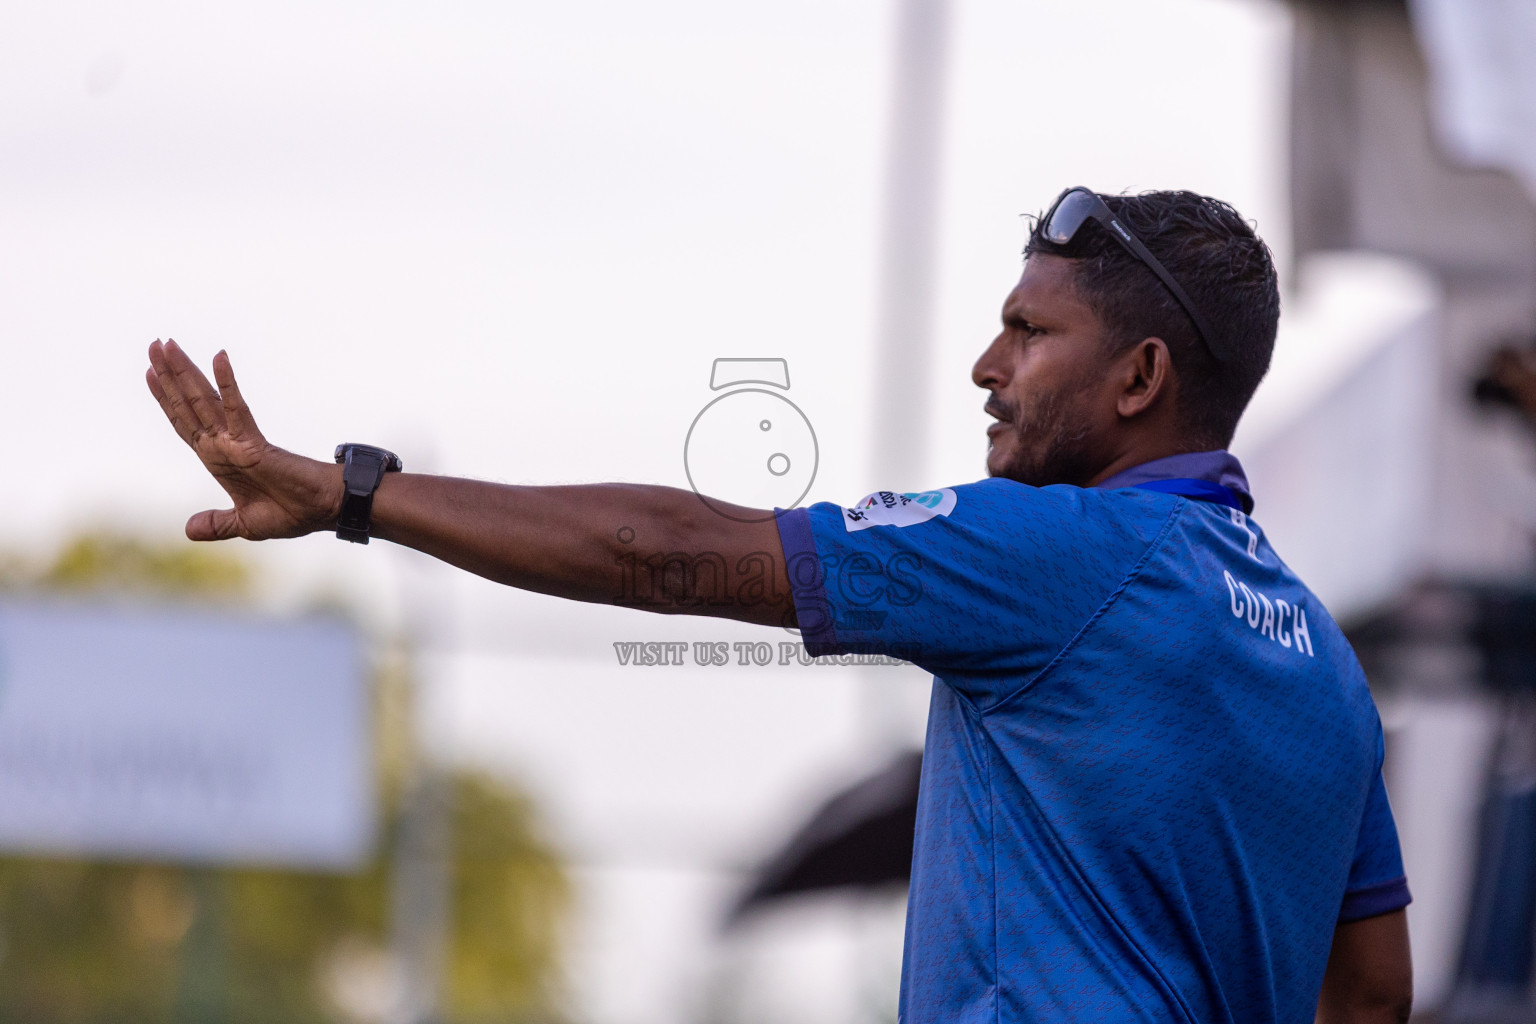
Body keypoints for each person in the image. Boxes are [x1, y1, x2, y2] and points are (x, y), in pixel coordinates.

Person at [145, 187, 1412, 1023]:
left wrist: (353, 493)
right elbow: (1370, 994)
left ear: (1141, 377)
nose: (987, 364)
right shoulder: (1329, 671)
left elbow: (671, 549)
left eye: (1030, 332)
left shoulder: (1061, 553)